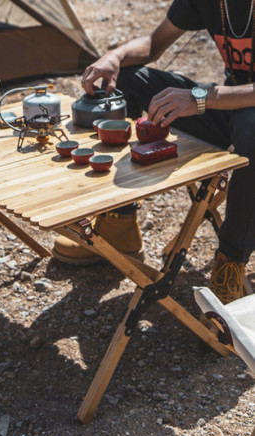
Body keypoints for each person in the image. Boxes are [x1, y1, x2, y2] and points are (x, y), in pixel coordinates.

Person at [52, 0, 255, 304]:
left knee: (252, 126)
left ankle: (231, 263)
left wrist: (199, 98)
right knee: (129, 79)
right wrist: (115, 56)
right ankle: (119, 226)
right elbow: (152, 44)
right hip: (230, 108)